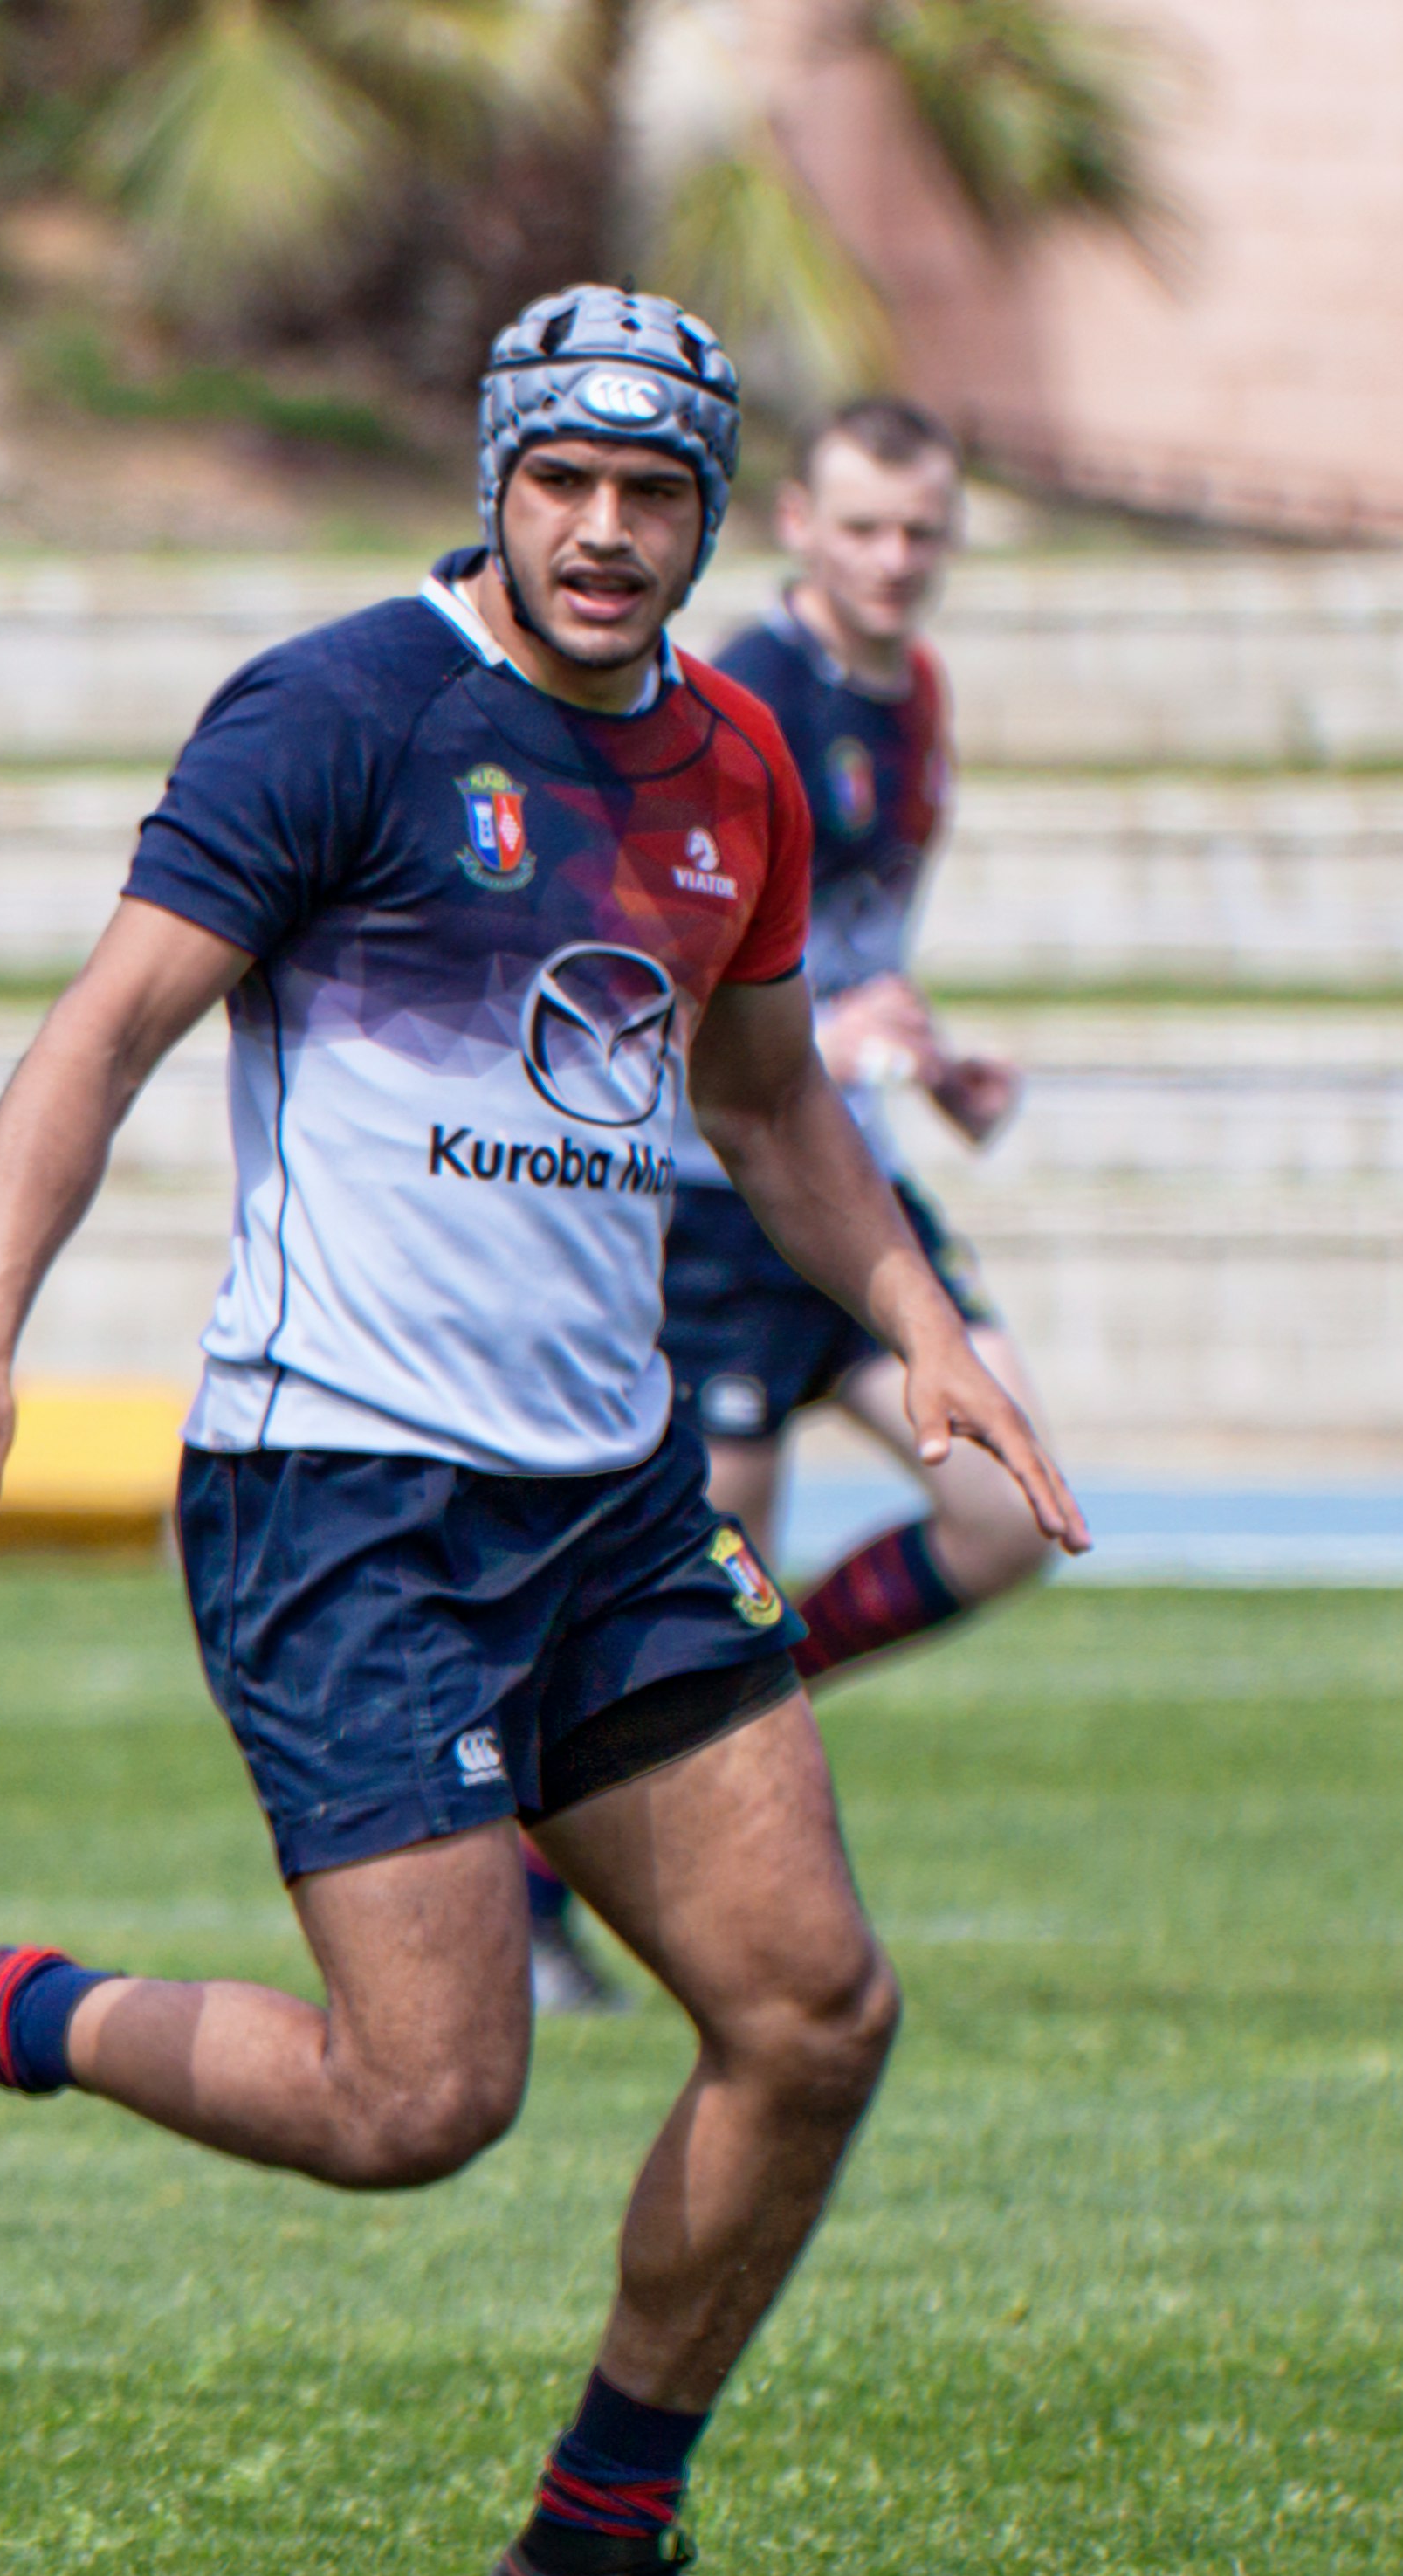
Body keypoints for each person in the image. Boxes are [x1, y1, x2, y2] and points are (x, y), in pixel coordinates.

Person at [0, 290, 1083, 2576]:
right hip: (345, 1499)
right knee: (422, 2102)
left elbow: (772, 1102)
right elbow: (104, 1038)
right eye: (564, 482)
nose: (604, 533)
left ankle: (596, 2544)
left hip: (605, 1505)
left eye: (652, 493)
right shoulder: (338, 714)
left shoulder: (736, 768)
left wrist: (920, 1335)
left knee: (813, 2013)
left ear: (710, 515)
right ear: (498, 479)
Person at [522, 397, 1057, 2015]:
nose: (898, 560)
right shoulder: (731, 700)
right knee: (714, 1569)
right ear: (801, 531)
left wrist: (925, 1055)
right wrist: (834, 1031)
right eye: (867, 528)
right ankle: (546, 1881)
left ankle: (709, 1725)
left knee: (1012, 1508)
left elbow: (845, 942)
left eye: (924, 531)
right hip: (709, 1204)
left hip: (848, 1184)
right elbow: (660, 979)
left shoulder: (920, 700)